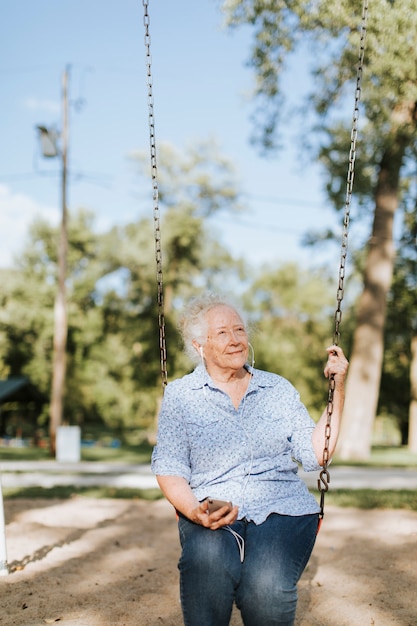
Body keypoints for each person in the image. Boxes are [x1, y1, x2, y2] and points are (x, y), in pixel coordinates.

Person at [151, 293, 349, 626]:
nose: (235, 340)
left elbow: (316, 453)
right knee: (207, 564)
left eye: (239, 330)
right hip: (213, 506)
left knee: (265, 590)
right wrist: (194, 512)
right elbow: (169, 467)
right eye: (223, 333)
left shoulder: (277, 389)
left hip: (282, 507)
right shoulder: (181, 395)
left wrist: (337, 387)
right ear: (200, 346)